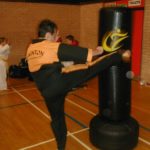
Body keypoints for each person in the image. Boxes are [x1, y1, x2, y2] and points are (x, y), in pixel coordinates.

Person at [26, 19, 131, 150]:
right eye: (56, 35)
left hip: (47, 92)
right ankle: (118, 56)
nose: (58, 37)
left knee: (57, 120)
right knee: (90, 67)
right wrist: (97, 51)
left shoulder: (30, 48)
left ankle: (61, 146)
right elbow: (82, 54)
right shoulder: (50, 46)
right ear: (47, 35)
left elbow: (45, 65)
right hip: (59, 83)